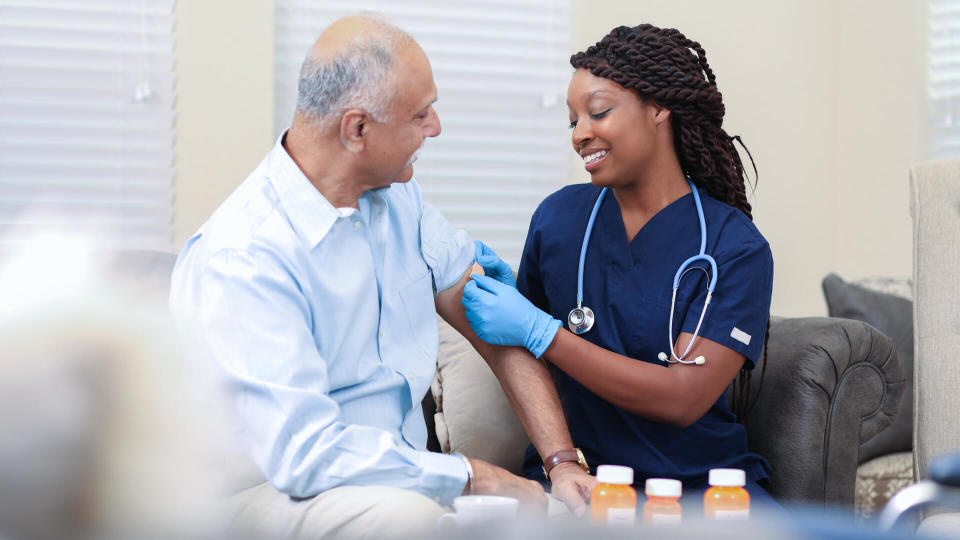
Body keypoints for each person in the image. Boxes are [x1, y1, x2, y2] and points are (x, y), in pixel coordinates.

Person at [169, 15, 594, 539]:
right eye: (420, 114)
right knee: (409, 520)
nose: (435, 127)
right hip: (272, 492)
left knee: (551, 521)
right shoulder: (243, 258)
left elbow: (496, 327)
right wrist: (470, 476)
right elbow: (305, 455)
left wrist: (560, 462)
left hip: (399, 484)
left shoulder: (400, 204)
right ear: (357, 129)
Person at [461, 23, 777, 506]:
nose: (580, 134)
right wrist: (559, 459)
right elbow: (528, 362)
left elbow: (682, 397)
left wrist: (543, 331)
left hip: (700, 489)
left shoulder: (734, 247)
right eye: (572, 121)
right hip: (578, 488)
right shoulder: (558, 220)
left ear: (658, 108)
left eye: (599, 112)